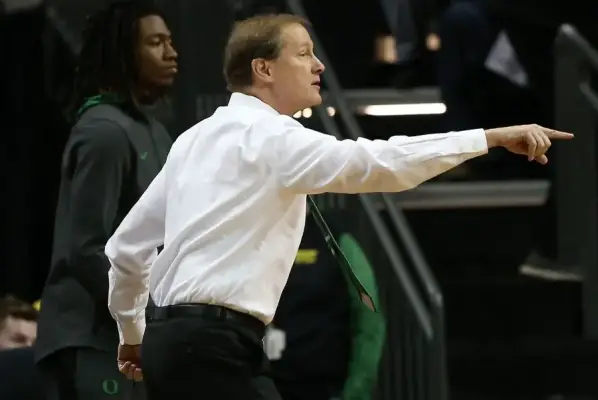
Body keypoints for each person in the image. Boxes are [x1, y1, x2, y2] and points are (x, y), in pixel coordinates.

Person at [105, 13, 571, 400]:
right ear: (264, 69)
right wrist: (488, 138)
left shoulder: (193, 140)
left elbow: (126, 248)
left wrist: (132, 335)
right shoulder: (273, 137)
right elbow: (380, 162)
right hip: (212, 347)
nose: (319, 64)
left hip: (172, 343)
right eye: (303, 53)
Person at [33, 1, 177, 399]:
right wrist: (143, 316)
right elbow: (86, 249)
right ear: (124, 53)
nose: (171, 52)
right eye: (155, 43)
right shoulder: (104, 132)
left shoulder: (155, 132)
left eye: (170, 41)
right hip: (90, 340)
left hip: (131, 339)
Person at [268, 211, 385, 400]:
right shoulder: (262, 240)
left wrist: (356, 392)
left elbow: (369, 321)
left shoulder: (336, 240)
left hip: (328, 388)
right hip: (271, 387)